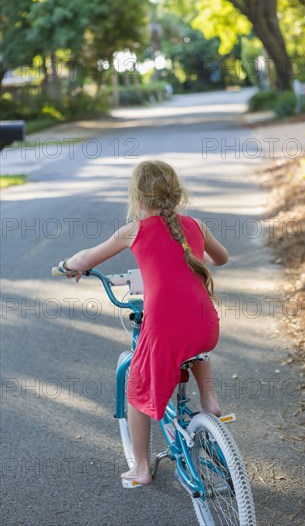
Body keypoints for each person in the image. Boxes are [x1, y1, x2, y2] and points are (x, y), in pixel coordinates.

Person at [58, 160, 229, 487]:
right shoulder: (195, 225)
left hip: (166, 329)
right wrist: (198, 255)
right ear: (177, 194)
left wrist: (67, 266)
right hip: (207, 325)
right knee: (194, 343)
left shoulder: (134, 229)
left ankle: (141, 468)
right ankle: (210, 400)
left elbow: (85, 259)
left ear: (136, 196)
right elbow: (221, 258)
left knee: (136, 393)